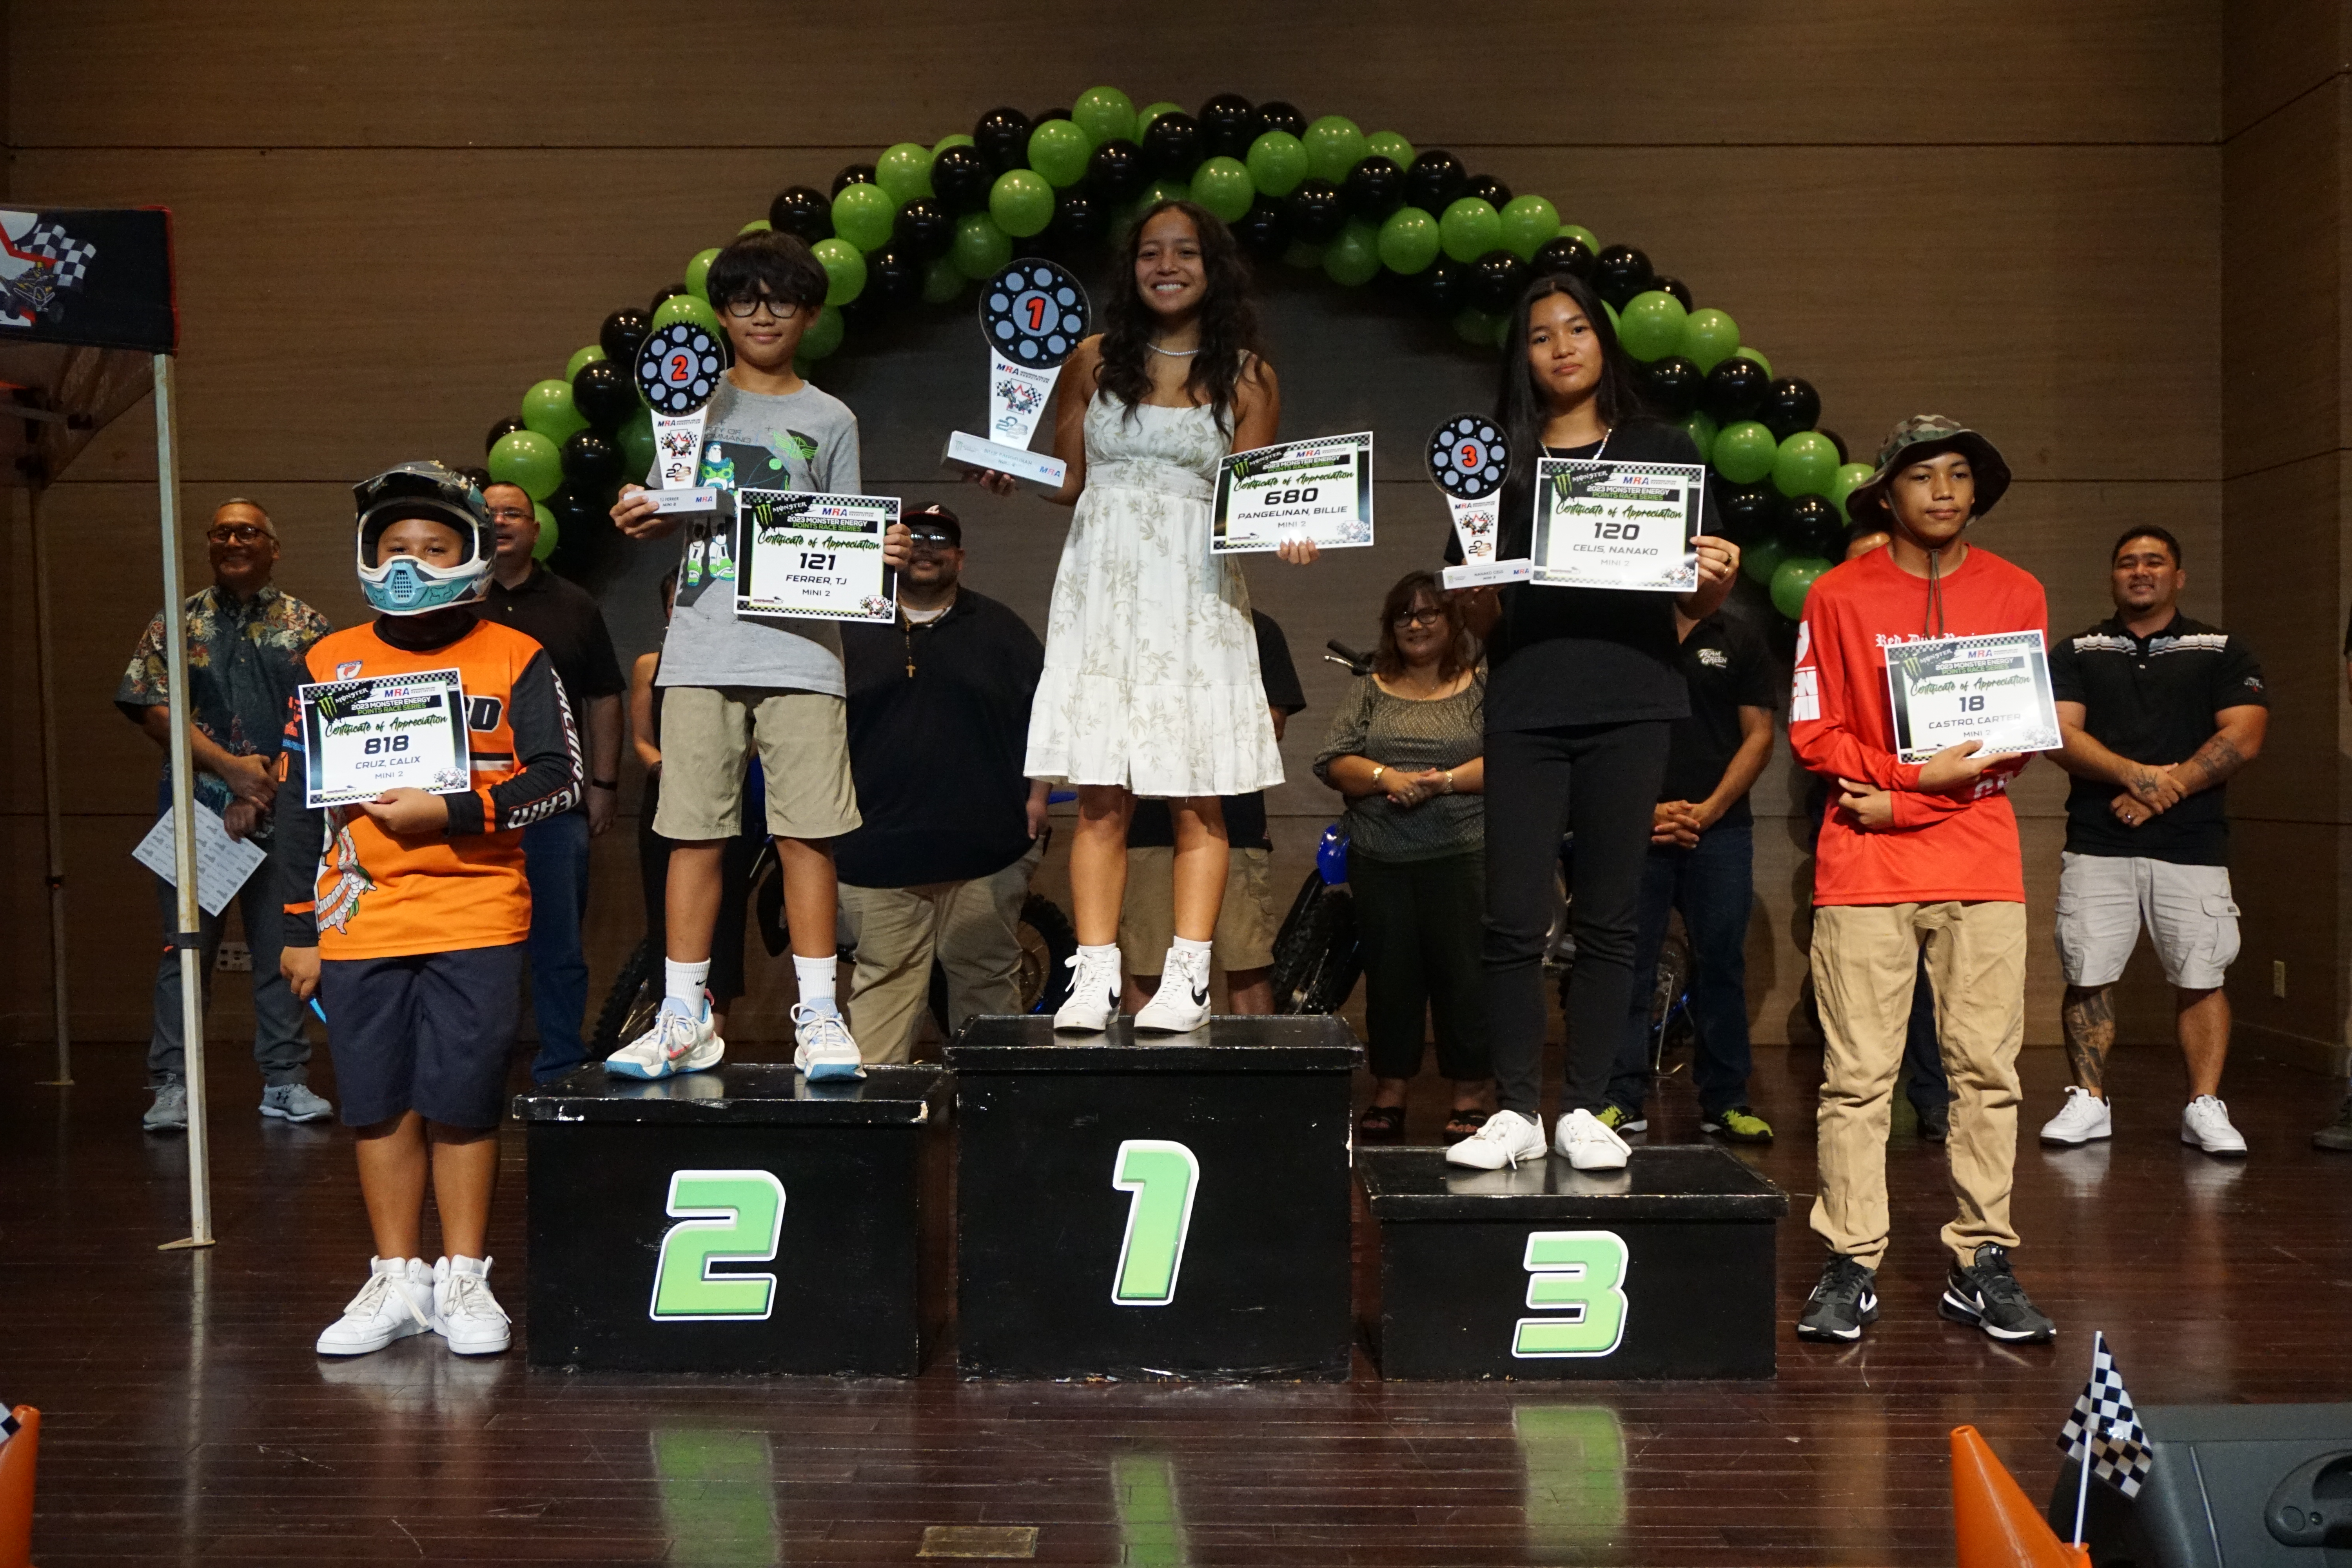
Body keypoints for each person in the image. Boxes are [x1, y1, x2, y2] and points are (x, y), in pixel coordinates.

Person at [972, 199, 1314, 1036]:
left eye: (1186, 252)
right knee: (1100, 795)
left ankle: (1190, 975)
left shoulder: (1249, 375)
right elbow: (1071, 476)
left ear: (1213, 267)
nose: (1167, 265)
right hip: (1103, 592)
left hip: (1196, 597)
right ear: (1132, 268)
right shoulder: (1093, 358)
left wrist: (1296, 529)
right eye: (1151, 252)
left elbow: (1256, 494)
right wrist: (1007, 465)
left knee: (1199, 797)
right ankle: (1093, 975)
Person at [277, 463, 581, 1357]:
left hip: (477, 916)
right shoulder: (329, 660)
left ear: (473, 555)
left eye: (435, 548)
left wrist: (452, 810)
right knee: (375, 1104)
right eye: (395, 547)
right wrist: (300, 928)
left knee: (463, 1099)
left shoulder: (515, 655)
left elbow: (558, 779)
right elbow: (302, 804)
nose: (411, 563)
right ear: (369, 556)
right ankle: (397, 1277)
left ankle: (463, 1275)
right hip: (359, 920)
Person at [1442, 272, 1739, 1174]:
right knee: (1513, 918)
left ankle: (1585, 1105)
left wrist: (1715, 581)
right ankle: (1515, 1110)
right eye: (1541, 335)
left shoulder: (1661, 447)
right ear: (1520, 356)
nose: (1562, 346)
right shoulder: (1493, 459)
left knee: (1612, 919)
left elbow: (1694, 599)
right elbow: (1479, 620)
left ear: (1605, 341)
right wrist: (1482, 591)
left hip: (1634, 701)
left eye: (1577, 328)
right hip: (1528, 705)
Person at [605, 229, 911, 1081]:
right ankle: (681, 1014)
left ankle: (818, 1013)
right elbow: (664, 504)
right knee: (693, 835)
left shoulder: (829, 416)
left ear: (809, 314)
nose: (762, 315)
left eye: (781, 300)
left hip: (806, 651)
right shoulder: (688, 404)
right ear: (721, 314)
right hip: (700, 646)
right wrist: (644, 509)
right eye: (744, 299)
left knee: (809, 833)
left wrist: (877, 550)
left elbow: (850, 533)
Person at [1788, 415, 2056, 1346]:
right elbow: (1814, 734)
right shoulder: (1834, 594)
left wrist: (1905, 804)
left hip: (1975, 860)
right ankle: (1850, 1260)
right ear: (1886, 494)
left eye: (1958, 475)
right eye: (1922, 475)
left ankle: (1981, 1258)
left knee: (1988, 1073)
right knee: (1857, 1076)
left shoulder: (2017, 591)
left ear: (1976, 492)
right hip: (1861, 870)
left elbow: (2016, 740)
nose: (1942, 490)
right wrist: (1914, 784)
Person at [2041, 527, 2266, 1156]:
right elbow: (2057, 734)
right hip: (2097, 843)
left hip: (2193, 845)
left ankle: (2204, 1105)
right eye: (2127, 563)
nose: (2140, 572)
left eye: (2155, 562)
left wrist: (2164, 790)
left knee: (2201, 974)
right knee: (2088, 973)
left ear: (2179, 576)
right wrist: (2139, 779)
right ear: (2113, 577)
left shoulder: (2221, 649)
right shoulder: (2079, 649)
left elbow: (2244, 736)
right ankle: (2089, 1100)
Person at [116, 498, 333, 1133]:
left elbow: (324, 716)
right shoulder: (175, 623)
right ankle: (172, 1086)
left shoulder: (309, 625)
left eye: (249, 532)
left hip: (285, 810)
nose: (235, 540)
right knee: (184, 951)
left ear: (273, 547)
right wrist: (230, 770)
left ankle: (286, 1083)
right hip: (196, 810)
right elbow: (152, 707)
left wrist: (260, 785)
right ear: (210, 545)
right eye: (223, 532)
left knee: (282, 948)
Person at [835, 504, 1049, 1060]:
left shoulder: (1003, 630)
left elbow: (1050, 719)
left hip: (987, 854)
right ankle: (874, 1135)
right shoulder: (847, 628)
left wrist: (1040, 796)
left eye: (940, 539)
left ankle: (999, 1126)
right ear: (892, 550)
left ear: (960, 556)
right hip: (874, 853)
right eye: (912, 537)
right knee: (882, 991)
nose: (925, 547)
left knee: (988, 995)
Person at [1314, 572, 1490, 1143]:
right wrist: (1385, 776)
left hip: (1463, 854)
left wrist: (1440, 783)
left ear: (1453, 620)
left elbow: (1509, 759)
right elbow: (1334, 759)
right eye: (1403, 616)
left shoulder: (1482, 682)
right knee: (1392, 979)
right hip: (1380, 858)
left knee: (1465, 977)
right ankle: (1390, 1091)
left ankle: (1471, 1094)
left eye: (1429, 613)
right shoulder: (1371, 685)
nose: (1416, 625)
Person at [1601, 604, 1776, 1144]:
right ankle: (1618, 1100)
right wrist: (1644, 810)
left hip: (1719, 830)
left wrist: (1710, 809)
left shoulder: (1740, 636)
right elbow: (1601, 734)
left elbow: (1760, 735)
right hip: (1635, 825)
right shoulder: (1621, 630)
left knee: (1722, 962)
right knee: (1627, 963)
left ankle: (1726, 1101)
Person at [473, 480, 626, 1083]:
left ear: (537, 530)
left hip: (554, 804)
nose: (502, 521)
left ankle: (562, 1061)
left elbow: (603, 696)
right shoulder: (453, 602)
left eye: (514, 512)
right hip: (469, 805)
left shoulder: (574, 603)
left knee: (559, 944)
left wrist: (605, 785)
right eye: (490, 513)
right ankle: (478, 1059)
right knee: (476, 943)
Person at [1121, 609, 1304, 1016]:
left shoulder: (1255, 626)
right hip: (1148, 824)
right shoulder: (1140, 624)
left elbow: (1272, 724)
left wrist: (1172, 720)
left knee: (1247, 965)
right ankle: (1143, 1080)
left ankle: (1256, 1079)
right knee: (1147, 969)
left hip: (1233, 821)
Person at [629, 571, 759, 1043]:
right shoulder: (650, 663)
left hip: (729, 794)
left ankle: (714, 1039)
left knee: (725, 919)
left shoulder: (743, 660)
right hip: (665, 793)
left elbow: (759, 737)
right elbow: (642, 738)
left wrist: (719, 768)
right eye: (674, 601)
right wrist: (664, 768)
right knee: (666, 915)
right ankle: (673, 1021)